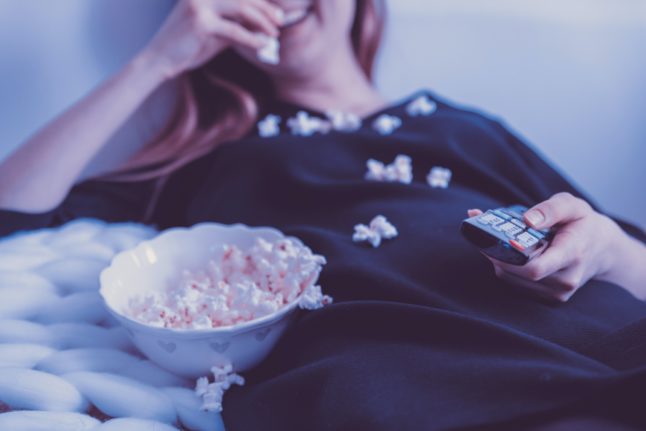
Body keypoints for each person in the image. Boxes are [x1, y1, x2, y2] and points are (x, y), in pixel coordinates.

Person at [1, 1, 645, 429]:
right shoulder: (216, 158)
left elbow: (630, 262)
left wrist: (608, 248)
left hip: (594, 340)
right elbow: (12, 214)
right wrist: (157, 60)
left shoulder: (465, 129)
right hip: (401, 381)